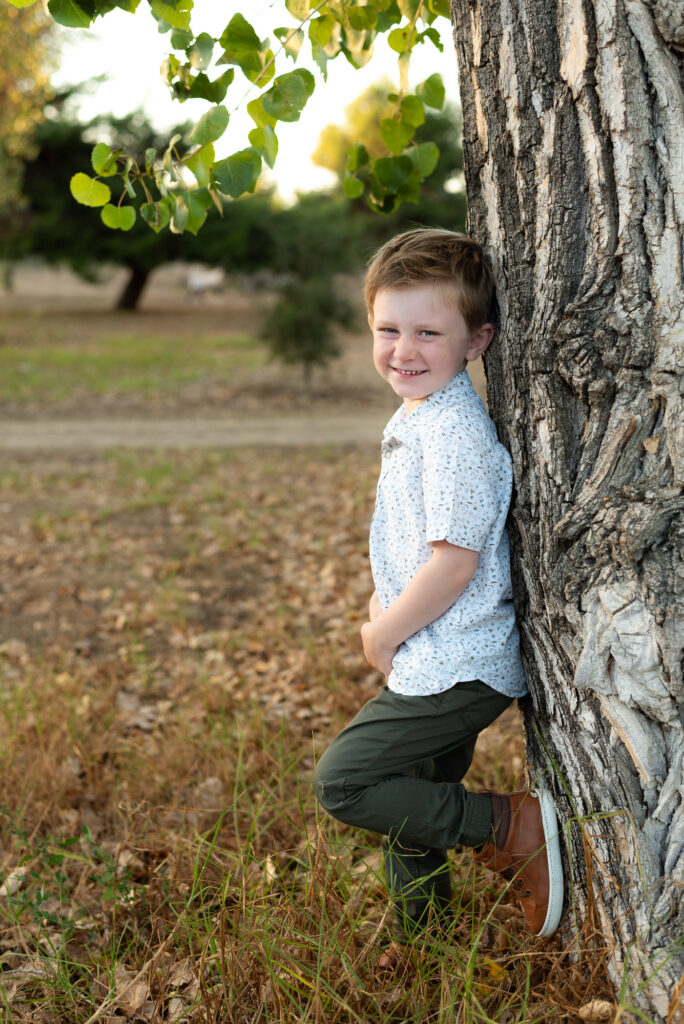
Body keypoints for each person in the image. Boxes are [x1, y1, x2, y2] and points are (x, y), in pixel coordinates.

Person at [313, 228, 564, 942]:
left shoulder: (453, 433)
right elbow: (415, 539)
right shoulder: (418, 418)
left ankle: (508, 829)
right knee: (412, 799)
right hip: (433, 650)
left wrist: (382, 631)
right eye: (388, 329)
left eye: (429, 331)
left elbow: (455, 564)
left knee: (346, 781)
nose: (404, 350)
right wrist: (384, 604)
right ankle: (421, 936)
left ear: (477, 341)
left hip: (458, 661)